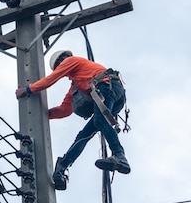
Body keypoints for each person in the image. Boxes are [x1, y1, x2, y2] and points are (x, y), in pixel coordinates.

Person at [15, 50, 130, 190]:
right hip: (114, 93)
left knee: (100, 122)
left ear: (62, 60)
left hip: (107, 86)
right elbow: (65, 110)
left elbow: (51, 79)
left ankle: (119, 156)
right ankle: (62, 166)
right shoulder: (77, 82)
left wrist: (27, 90)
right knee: (84, 135)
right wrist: (43, 115)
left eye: (60, 64)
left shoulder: (71, 61)